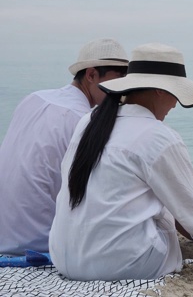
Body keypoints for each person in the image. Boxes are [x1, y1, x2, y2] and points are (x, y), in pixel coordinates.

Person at [49, 43, 193, 281]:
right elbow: (191, 211)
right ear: (161, 91)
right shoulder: (159, 137)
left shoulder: (89, 121)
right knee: (165, 202)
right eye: (175, 94)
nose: (175, 104)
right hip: (120, 265)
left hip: (64, 258)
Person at [0, 38, 129, 256]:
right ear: (91, 75)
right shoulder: (83, 120)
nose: (120, 93)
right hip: (41, 241)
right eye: (117, 82)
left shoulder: (33, 99)